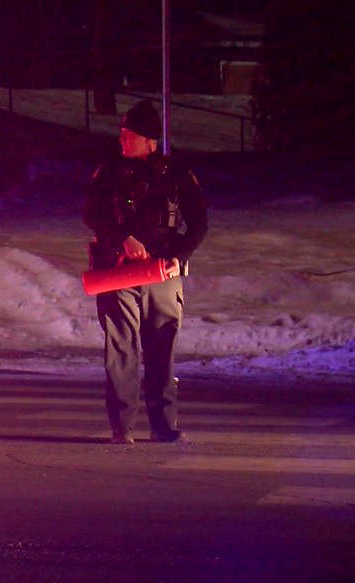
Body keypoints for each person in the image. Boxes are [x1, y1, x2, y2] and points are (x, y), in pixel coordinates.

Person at [82, 99, 208, 445]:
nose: (121, 139)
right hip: (118, 270)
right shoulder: (108, 172)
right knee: (121, 348)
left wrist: (177, 256)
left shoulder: (178, 174)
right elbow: (92, 213)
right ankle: (122, 428)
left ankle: (164, 426)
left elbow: (198, 224)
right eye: (121, 132)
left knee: (161, 347)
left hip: (161, 273)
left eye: (129, 134)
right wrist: (123, 239)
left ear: (150, 141)